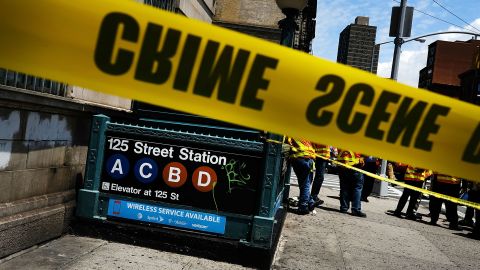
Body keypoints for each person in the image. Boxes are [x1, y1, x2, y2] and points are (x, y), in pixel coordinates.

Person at [287, 137, 319, 215]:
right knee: (306, 184)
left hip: (300, 158)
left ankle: (303, 207)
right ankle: (310, 202)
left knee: (304, 185)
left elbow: (287, 142)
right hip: (310, 159)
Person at [337, 149, 366, 217]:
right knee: (357, 188)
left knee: (344, 187)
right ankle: (355, 209)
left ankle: (344, 208)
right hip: (355, 165)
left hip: (342, 165)